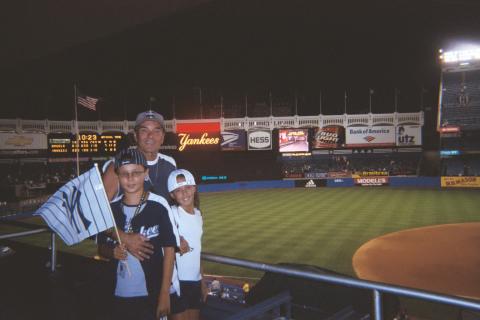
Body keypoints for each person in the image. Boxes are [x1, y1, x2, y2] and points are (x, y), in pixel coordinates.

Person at [97, 148, 177, 320]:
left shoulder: (159, 205)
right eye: (124, 173)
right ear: (117, 176)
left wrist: (165, 293)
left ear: (146, 173)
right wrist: (112, 252)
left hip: (153, 293)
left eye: (136, 172)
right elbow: (100, 249)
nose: (130, 178)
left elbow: (170, 250)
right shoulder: (110, 211)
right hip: (119, 295)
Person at [102, 110, 177, 261]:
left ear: (163, 137)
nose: (150, 136)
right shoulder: (117, 166)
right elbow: (97, 213)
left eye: (156, 131)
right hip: (127, 257)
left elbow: (172, 210)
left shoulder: (170, 164)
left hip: (160, 256)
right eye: (144, 130)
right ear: (135, 136)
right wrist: (125, 238)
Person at [167, 169, 207, 320]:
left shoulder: (198, 214)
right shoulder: (171, 213)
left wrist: (202, 281)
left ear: (194, 188)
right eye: (178, 190)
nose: (184, 193)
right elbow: (159, 243)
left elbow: (197, 252)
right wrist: (175, 244)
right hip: (177, 282)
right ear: (172, 195)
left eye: (188, 188)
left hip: (195, 282)